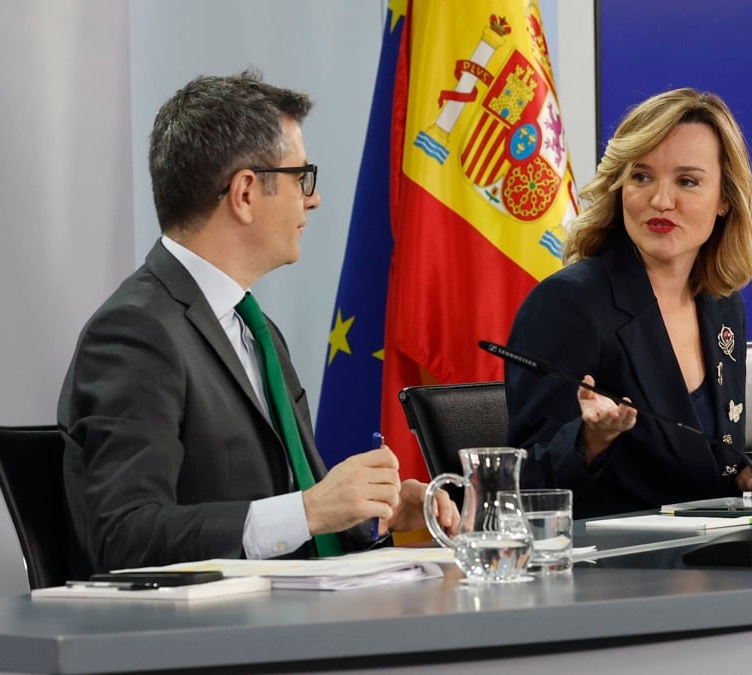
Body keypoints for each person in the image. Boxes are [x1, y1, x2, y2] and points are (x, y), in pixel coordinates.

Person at [59, 70, 456, 574]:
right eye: (301, 178)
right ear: (245, 193)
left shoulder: (257, 329)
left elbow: (292, 514)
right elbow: (124, 537)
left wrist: (378, 516)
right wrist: (312, 510)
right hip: (202, 643)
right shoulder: (135, 333)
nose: (312, 200)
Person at [505, 88, 752, 518]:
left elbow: (690, 465)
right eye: (641, 176)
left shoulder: (722, 305)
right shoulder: (568, 304)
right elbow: (522, 486)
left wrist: (741, 477)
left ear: (725, 199)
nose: (660, 200)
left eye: (687, 181)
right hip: (613, 571)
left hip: (709, 560)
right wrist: (589, 441)